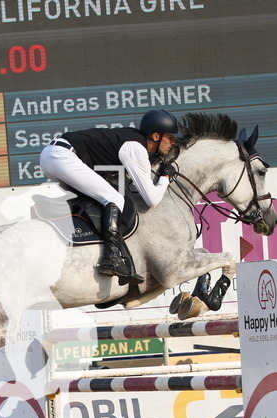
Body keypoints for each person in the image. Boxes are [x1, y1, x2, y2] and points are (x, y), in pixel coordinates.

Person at [39, 108, 180, 285]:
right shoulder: (137, 148)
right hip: (62, 157)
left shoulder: (132, 142)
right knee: (115, 199)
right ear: (156, 136)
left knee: (97, 199)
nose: (173, 142)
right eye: (171, 137)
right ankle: (111, 258)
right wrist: (165, 179)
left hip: (52, 156)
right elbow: (152, 199)